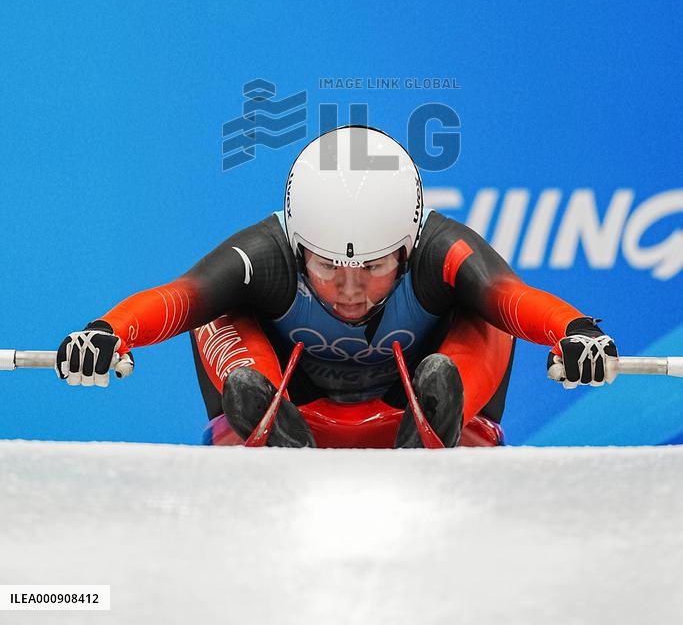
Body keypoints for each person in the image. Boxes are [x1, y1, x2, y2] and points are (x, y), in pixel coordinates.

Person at [56, 126, 619, 447]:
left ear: (407, 245)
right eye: (327, 268)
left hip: (409, 416)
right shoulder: (265, 253)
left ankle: (442, 421)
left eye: (373, 267)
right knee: (216, 309)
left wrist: (577, 333)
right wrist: (106, 334)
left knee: (484, 310)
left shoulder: (441, 248)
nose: (350, 291)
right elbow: (179, 298)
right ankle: (264, 416)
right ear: (299, 246)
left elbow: (511, 297)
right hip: (297, 412)